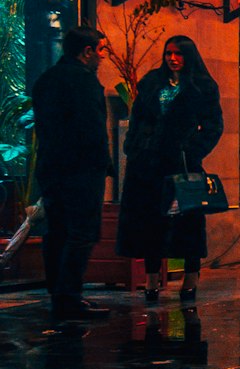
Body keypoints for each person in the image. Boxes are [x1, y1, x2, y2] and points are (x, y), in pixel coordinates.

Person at [116, 35, 223, 303]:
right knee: (150, 220)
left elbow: (213, 126)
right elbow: (138, 117)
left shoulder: (203, 87)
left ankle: (191, 275)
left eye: (178, 53)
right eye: (168, 53)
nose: (172, 58)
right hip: (147, 163)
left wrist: (191, 149)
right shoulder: (152, 82)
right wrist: (133, 146)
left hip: (181, 163)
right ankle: (152, 277)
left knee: (188, 221)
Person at [30, 25, 113, 321]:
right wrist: (104, 164)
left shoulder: (46, 80)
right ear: (87, 51)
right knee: (81, 232)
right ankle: (69, 296)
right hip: (81, 169)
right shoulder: (84, 81)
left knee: (57, 231)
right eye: (100, 50)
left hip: (51, 167)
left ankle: (59, 293)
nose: (102, 57)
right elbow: (91, 129)